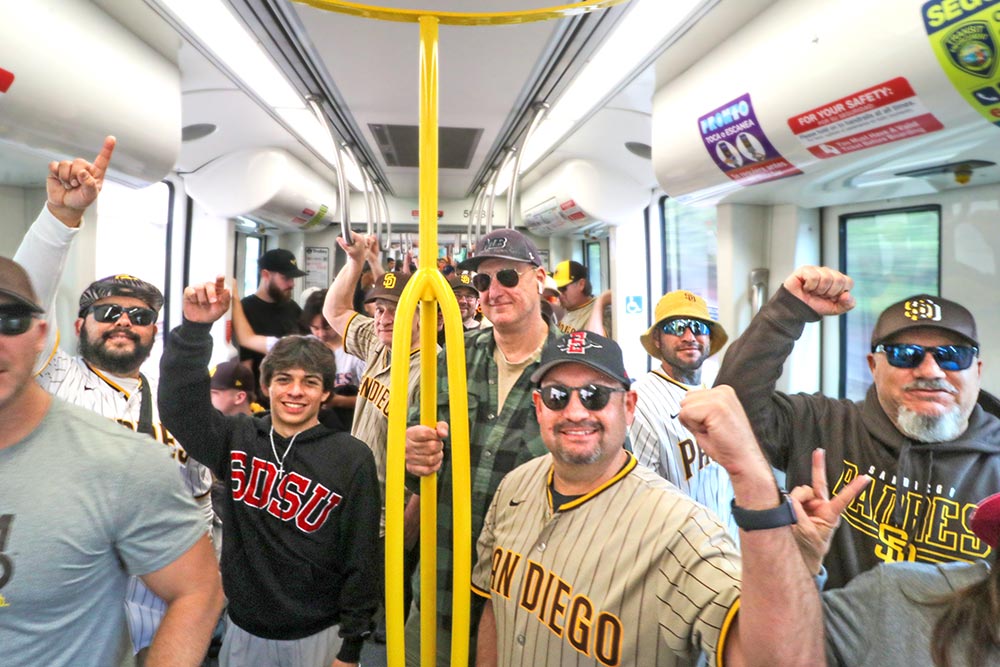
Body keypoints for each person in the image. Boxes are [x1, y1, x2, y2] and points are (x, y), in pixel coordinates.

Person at [473, 330, 835, 666]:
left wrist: (755, 483)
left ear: (629, 406)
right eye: (557, 396)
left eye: (595, 395)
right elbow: (494, 609)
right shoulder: (514, 487)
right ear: (539, 407)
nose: (575, 411)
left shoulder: (682, 530)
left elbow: (781, 660)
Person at [13, 136, 216, 661]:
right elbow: (26, 300)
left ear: (153, 334)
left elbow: (198, 506)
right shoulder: (50, 375)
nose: (125, 321)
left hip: (154, 598)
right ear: (80, 325)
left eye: (142, 316)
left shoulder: (178, 405)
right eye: (108, 312)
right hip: (66, 586)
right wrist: (60, 217)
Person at [715, 265, 1000, 588]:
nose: (931, 370)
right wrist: (787, 311)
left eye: (953, 356)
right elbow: (731, 409)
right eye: (905, 355)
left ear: (976, 369)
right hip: (828, 634)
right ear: (873, 366)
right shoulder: (823, 425)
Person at [159, 276, 380, 667]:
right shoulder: (237, 438)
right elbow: (180, 407)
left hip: (318, 632)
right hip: (244, 628)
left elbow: (361, 557)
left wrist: (351, 647)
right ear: (266, 386)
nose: (296, 391)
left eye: (310, 383)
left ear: (326, 392)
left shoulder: (351, 457)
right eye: (284, 380)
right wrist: (195, 328)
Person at [404, 228, 559, 666]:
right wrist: (411, 455)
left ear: (539, 278)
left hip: (528, 600)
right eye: (483, 282)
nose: (493, 291)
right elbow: (416, 462)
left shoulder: (572, 370)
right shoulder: (450, 357)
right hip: (441, 580)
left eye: (507, 276)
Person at [629, 289, 739, 537]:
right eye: (677, 327)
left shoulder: (717, 385)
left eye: (698, 327)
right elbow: (638, 496)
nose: (689, 336)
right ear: (657, 338)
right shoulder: (641, 401)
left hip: (731, 538)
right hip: (683, 550)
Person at [238, 248, 307, 398]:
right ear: (265, 275)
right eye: (286, 278)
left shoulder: (292, 308)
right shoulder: (245, 310)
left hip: (295, 391)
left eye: (292, 279)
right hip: (264, 396)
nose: (292, 284)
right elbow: (246, 364)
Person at [552, 260, 611, 336]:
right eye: (557, 290)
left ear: (581, 284)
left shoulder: (600, 312)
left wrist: (600, 302)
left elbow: (598, 343)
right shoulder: (564, 309)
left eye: (563, 289)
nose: (559, 294)